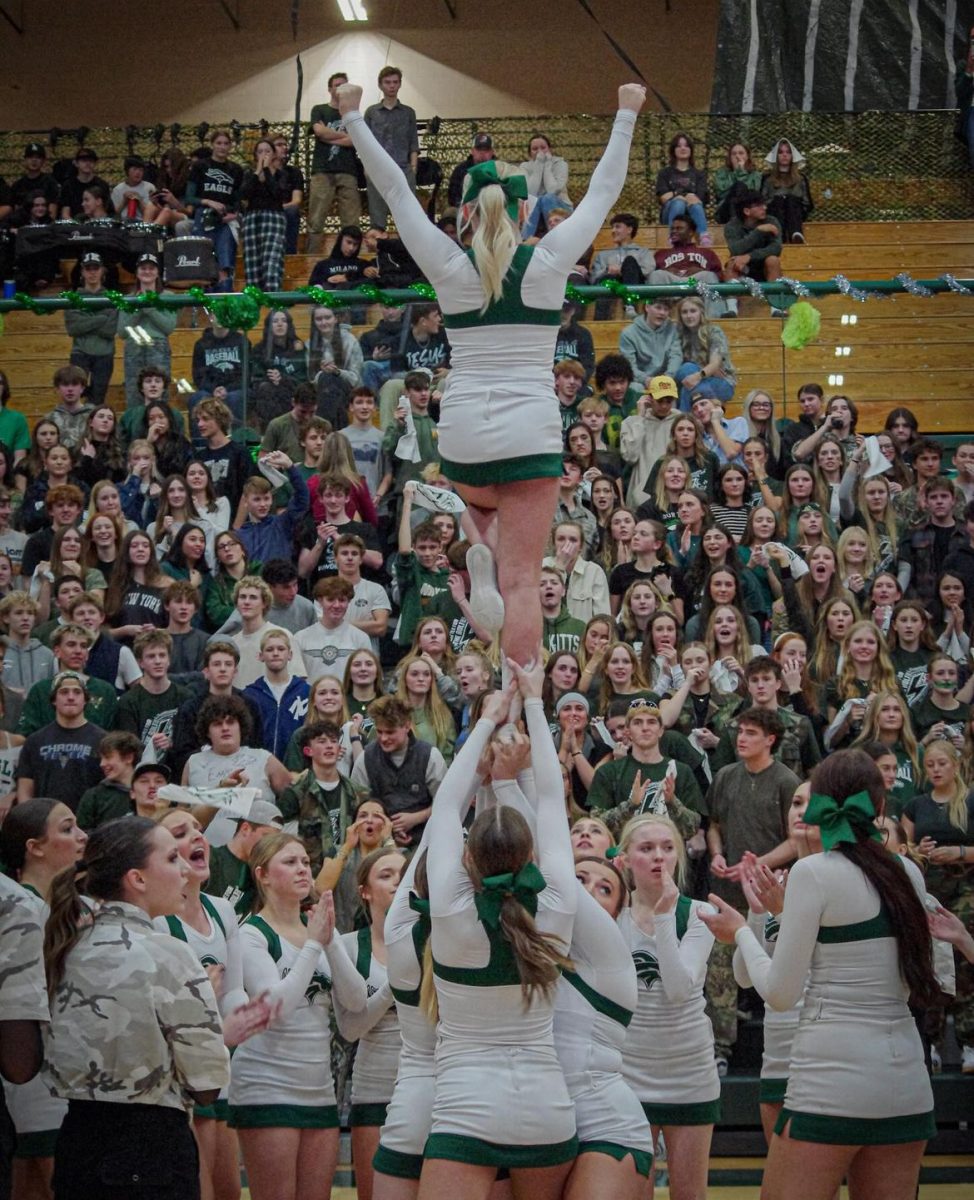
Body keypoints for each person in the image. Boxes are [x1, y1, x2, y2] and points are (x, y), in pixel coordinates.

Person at [338, 80, 645, 665]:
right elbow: (604, 192)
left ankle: (478, 540)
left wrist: (354, 118)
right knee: (525, 580)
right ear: (524, 209)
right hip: (530, 427)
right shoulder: (550, 259)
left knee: (481, 501)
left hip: (465, 433)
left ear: (465, 214)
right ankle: (523, 699)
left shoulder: (450, 266)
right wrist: (625, 113)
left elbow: (397, 191)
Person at [702, 749, 940, 1200]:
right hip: (906, 1078)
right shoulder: (909, 870)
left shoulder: (814, 873)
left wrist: (742, 935)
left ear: (820, 808)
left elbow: (780, 994)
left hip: (833, 1079)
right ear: (880, 808)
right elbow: (927, 978)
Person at [417, 660, 578, 1199]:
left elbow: (445, 803)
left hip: (468, 1110)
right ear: (530, 853)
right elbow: (554, 800)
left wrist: (485, 720)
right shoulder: (557, 901)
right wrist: (534, 703)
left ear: (467, 857)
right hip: (548, 1110)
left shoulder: (451, 911)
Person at [42, 817, 231, 1200]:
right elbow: (208, 1084)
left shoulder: (64, 946)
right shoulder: (168, 953)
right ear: (137, 879)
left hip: (76, 1143)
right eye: (171, 858)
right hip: (151, 1153)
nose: (184, 870)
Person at [230, 837, 367, 1200]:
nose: (303, 868)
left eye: (306, 861)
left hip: (319, 1088)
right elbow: (276, 1008)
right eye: (289, 862)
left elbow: (355, 1000)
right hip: (267, 1086)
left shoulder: (320, 928)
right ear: (263, 875)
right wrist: (312, 944)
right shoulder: (251, 934)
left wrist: (330, 940)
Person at [617, 813, 719, 1200]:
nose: (659, 856)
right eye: (646, 848)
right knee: (635, 1193)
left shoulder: (697, 914)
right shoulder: (612, 915)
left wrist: (662, 918)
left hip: (689, 1071)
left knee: (690, 1194)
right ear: (624, 859)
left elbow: (678, 990)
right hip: (628, 1073)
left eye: (667, 847)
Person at [705, 707, 800, 1073]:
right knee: (719, 975)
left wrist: (758, 863)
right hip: (726, 892)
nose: (741, 738)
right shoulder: (726, 775)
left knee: (775, 970)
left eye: (750, 733)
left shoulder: (786, 781)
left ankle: (786, 1054)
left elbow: (795, 841)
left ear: (770, 739)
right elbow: (713, 825)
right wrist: (715, 854)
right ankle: (719, 1051)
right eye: (740, 732)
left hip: (770, 896)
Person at [0, 798, 85, 1199]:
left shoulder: (75, 909)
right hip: (28, 1071)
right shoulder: (19, 907)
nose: (81, 836)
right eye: (67, 828)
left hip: (64, 1073)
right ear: (34, 846)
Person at [335, 847, 406, 1200]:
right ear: (364, 890)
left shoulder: (437, 942)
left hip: (433, 1088)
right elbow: (350, 1029)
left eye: (403, 873)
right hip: (374, 1087)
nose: (397, 882)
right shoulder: (349, 946)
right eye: (386, 875)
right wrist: (395, 985)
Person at [15, 670, 105, 810]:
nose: (70, 697)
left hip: (88, 825)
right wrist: (30, 821)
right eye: (64, 692)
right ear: (53, 700)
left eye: (77, 692)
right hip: (44, 824)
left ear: (85, 699)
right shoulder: (35, 741)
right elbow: (25, 789)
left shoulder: (103, 740)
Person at [307, 71, 362, 254]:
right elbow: (319, 132)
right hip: (323, 170)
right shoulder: (319, 109)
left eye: (344, 85)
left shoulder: (353, 115)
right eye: (337, 85)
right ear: (330, 88)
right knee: (316, 219)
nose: (340, 88)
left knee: (351, 222)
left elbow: (355, 140)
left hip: (348, 171)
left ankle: (352, 261)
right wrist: (344, 136)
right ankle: (311, 260)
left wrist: (328, 137)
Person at [362, 66, 419, 231]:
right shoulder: (371, 112)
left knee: (409, 216)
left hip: (403, 167)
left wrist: (413, 168)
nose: (392, 86)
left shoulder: (408, 112)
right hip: (377, 169)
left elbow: (413, 142)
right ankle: (379, 253)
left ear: (400, 84)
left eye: (395, 82)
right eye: (387, 82)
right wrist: (366, 167)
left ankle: (408, 254)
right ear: (380, 85)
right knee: (377, 217)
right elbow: (365, 143)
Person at [64, 254, 117, 405]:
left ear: (102, 271)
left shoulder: (113, 297)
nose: (92, 272)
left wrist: (86, 320)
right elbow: (73, 328)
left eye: (96, 268)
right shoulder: (73, 298)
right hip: (80, 353)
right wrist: (101, 318)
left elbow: (110, 330)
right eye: (88, 268)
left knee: (98, 400)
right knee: (73, 399)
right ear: (82, 272)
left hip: (105, 354)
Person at [240, 137, 287, 291]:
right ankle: (254, 297)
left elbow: (278, 194)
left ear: (274, 154)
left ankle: (273, 296)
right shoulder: (249, 174)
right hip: (252, 218)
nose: (263, 155)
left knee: (271, 259)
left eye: (267, 151)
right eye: (260, 152)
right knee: (252, 261)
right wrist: (257, 173)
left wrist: (266, 171)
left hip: (273, 217)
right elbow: (244, 194)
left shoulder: (281, 175)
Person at [655, 131, 712, 244]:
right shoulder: (665, 173)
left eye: (686, 146)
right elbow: (664, 198)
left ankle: (704, 237)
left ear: (691, 150)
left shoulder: (699, 174)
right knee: (678, 203)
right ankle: (673, 236)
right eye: (679, 146)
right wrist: (680, 195)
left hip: (693, 213)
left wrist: (678, 195)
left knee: (695, 204)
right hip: (670, 212)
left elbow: (700, 199)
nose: (683, 148)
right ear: (673, 150)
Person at [724, 191, 783, 287]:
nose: (765, 208)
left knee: (773, 260)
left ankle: (774, 298)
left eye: (763, 204)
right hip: (742, 266)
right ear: (746, 211)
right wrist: (758, 231)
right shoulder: (732, 226)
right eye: (759, 206)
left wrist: (750, 256)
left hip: (764, 264)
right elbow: (735, 249)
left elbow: (776, 248)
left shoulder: (771, 221)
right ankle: (732, 301)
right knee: (732, 263)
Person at [519, 132, 572, 238]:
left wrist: (547, 165)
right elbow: (530, 192)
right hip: (535, 208)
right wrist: (538, 164)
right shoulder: (524, 167)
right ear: (530, 153)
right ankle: (525, 241)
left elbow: (552, 190)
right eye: (535, 149)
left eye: (543, 147)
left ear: (550, 149)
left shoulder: (560, 164)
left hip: (562, 207)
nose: (539, 151)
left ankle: (554, 237)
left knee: (547, 198)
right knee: (535, 200)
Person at [762, 139, 813, 244]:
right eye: (781, 152)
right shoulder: (767, 178)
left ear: (792, 156)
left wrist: (792, 201)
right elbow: (763, 200)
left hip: (796, 213)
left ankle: (796, 233)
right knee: (779, 201)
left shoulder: (801, 178)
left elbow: (807, 203)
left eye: (788, 152)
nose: (784, 155)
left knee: (791, 200)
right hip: (774, 213)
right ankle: (778, 236)